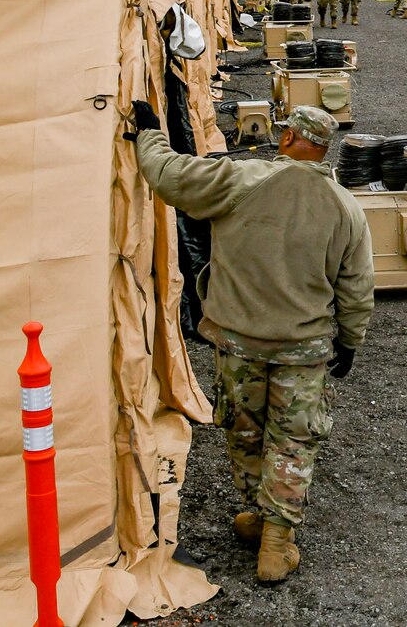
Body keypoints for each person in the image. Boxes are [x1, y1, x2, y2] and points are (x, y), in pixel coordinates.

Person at [128, 101, 372, 584]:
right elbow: (357, 286)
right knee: (294, 438)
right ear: (325, 150)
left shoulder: (241, 180)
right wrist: (349, 340)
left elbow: (168, 175)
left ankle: (260, 518)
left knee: (244, 428)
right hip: (303, 350)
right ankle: (275, 541)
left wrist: (150, 133)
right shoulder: (345, 207)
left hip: (238, 342)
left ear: (286, 139)